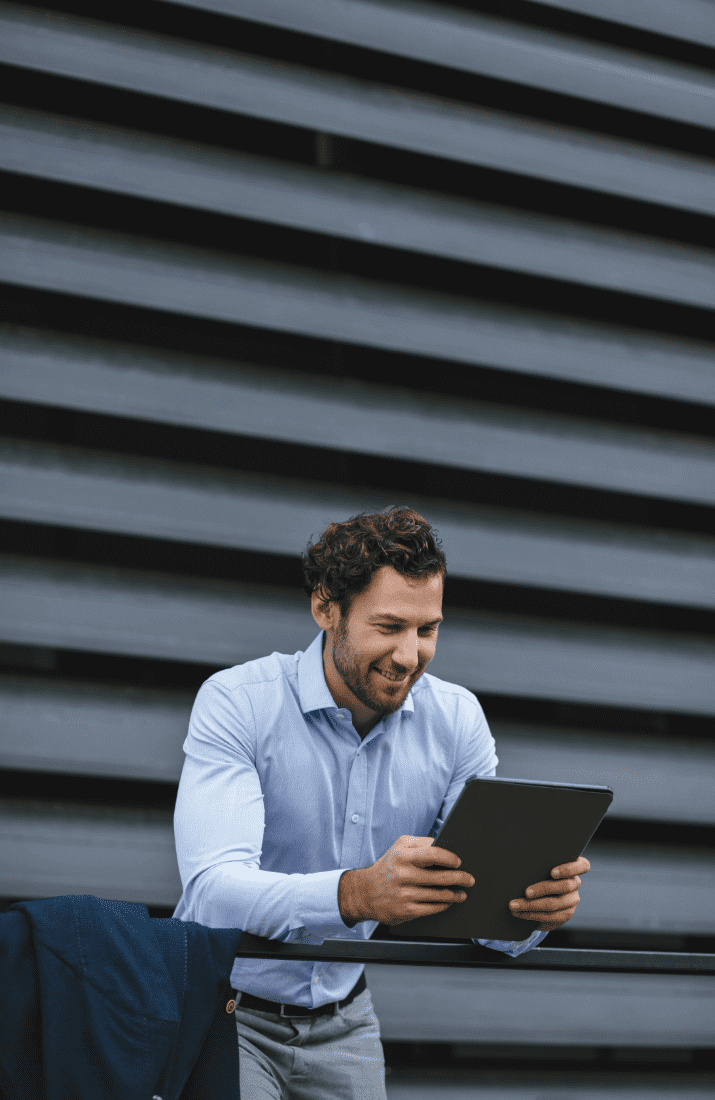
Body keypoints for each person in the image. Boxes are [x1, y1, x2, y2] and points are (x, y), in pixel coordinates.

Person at [173, 506, 589, 1099]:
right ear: (326, 608)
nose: (409, 655)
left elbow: (484, 919)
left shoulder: (458, 721)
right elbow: (212, 894)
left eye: (428, 630)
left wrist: (529, 911)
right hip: (224, 1012)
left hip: (346, 1021)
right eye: (389, 627)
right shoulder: (238, 703)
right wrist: (357, 893)